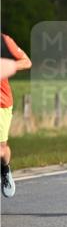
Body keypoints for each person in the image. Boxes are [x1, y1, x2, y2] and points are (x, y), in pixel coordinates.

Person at [1, 34, 32, 198]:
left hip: (1, 103)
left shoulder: (4, 41)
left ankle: (5, 168)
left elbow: (27, 62)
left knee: (1, 150)